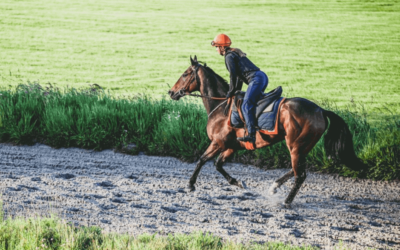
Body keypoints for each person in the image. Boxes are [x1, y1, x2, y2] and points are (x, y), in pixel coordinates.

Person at [211, 33, 268, 143]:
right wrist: (236, 91)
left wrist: (230, 91)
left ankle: (251, 135)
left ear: (222, 47)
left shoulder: (228, 57)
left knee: (246, 104)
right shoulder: (233, 53)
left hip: (256, 80)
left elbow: (233, 75)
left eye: (217, 47)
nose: (217, 49)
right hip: (262, 77)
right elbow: (239, 77)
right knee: (251, 102)